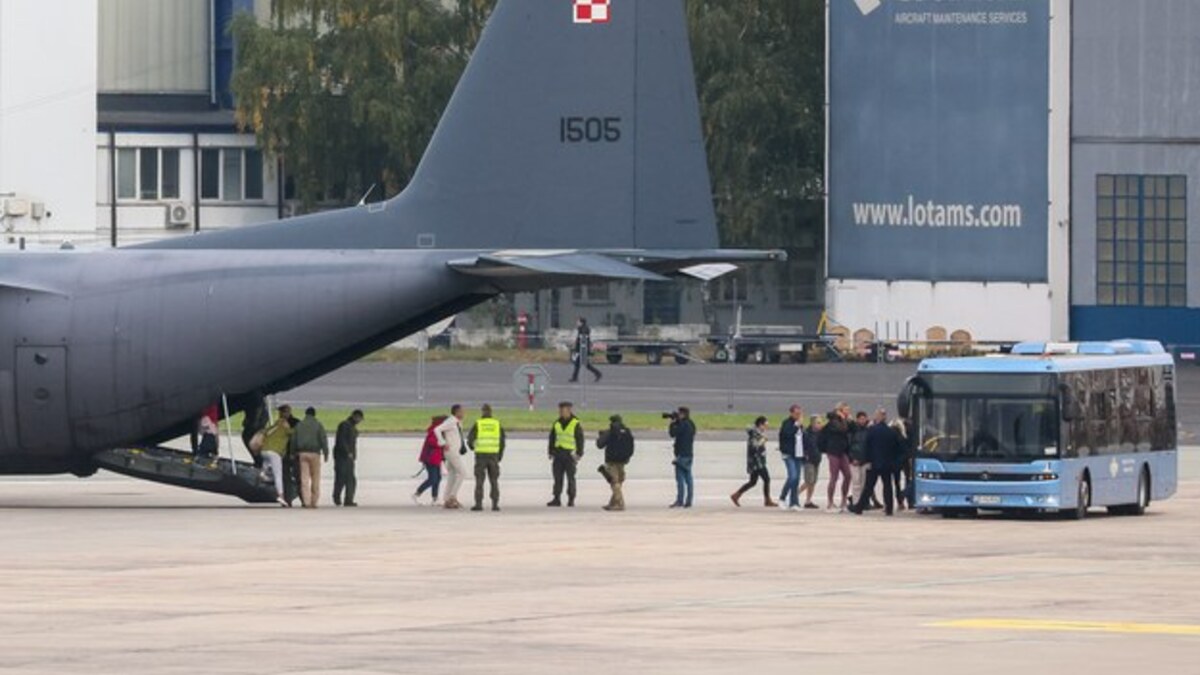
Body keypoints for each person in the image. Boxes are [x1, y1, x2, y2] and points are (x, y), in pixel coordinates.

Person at [852, 409, 901, 515]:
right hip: (887, 463)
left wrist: (864, 460)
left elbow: (867, 447)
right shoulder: (891, 432)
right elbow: (897, 448)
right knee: (887, 486)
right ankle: (889, 508)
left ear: (878, 417)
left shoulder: (872, 430)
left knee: (869, 487)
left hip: (874, 462)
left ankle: (859, 507)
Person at [467, 404, 506, 512]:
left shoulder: (478, 424)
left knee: (479, 480)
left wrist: (472, 447)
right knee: (494, 480)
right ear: (491, 412)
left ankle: (478, 504)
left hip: (481, 456)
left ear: (482, 411)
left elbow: (470, 439)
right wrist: (500, 455)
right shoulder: (497, 424)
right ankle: (495, 504)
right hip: (493, 456)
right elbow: (502, 441)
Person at [732, 416, 777, 508]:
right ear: (760, 424)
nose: (766, 428)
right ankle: (767, 500)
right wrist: (762, 441)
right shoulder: (754, 435)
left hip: (757, 461)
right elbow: (754, 447)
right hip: (757, 462)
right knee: (766, 479)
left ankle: (736, 495)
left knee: (753, 482)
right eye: (765, 425)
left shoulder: (758, 433)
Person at [547, 401, 585, 507]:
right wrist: (550, 452)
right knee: (557, 478)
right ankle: (556, 498)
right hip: (558, 454)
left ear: (568, 410)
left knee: (571, 478)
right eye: (559, 410)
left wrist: (579, 453)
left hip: (570, 455)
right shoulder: (557, 423)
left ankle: (571, 499)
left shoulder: (575, 423)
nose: (559, 412)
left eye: (562, 410)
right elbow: (552, 438)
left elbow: (580, 439)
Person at [819, 402, 854, 511]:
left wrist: (850, 421)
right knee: (834, 476)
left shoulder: (845, 420)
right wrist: (843, 419)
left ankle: (844, 499)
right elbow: (842, 429)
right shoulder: (833, 421)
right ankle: (830, 501)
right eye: (846, 410)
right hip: (833, 451)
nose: (848, 412)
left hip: (843, 451)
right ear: (840, 411)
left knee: (848, 475)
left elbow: (852, 430)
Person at [292, 407, 329, 509]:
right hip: (315, 454)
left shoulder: (299, 425)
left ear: (305, 413)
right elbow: (323, 439)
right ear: (314, 414)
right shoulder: (318, 425)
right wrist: (326, 453)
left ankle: (306, 502)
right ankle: (314, 501)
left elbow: (293, 440)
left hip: (302, 454)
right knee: (315, 478)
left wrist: (292, 452)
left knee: (304, 479)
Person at [596, 414, 635, 511]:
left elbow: (600, 445)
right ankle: (612, 503)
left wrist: (601, 436)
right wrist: (628, 457)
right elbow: (631, 447)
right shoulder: (627, 432)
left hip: (611, 461)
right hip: (623, 461)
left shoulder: (610, 432)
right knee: (619, 482)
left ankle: (620, 504)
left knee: (614, 482)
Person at [435, 404, 469, 509]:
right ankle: (452, 497)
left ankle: (447, 499)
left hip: (455, 452)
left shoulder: (457, 422)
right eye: (462, 411)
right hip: (452, 452)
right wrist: (442, 442)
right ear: (457, 412)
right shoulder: (451, 421)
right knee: (463, 473)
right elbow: (437, 430)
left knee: (452, 475)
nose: (464, 413)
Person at [260, 405, 294, 507]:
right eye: (288, 412)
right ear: (285, 413)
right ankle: (281, 496)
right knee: (278, 475)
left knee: (267, 461)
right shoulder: (285, 425)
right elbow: (292, 433)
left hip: (265, 450)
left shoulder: (275, 424)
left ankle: (263, 471)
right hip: (275, 452)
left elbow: (265, 432)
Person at [332, 410, 363, 507]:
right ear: (355, 416)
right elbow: (341, 441)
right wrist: (347, 452)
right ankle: (337, 496)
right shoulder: (344, 425)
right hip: (342, 456)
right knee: (341, 478)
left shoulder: (352, 427)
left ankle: (348, 499)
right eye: (359, 418)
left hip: (349, 458)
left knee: (350, 479)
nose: (359, 421)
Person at [414, 415, 446, 506]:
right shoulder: (435, 430)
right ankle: (416, 494)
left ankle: (435, 498)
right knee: (432, 479)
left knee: (438, 478)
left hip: (435, 458)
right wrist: (442, 443)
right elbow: (431, 442)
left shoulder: (437, 430)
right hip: (430, 458)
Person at [777, 405, 805, 510]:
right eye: (797, 413)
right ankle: (782, 498)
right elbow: (787, 434)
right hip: (788, 454)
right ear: (791, 413)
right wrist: (796, 425)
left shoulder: (800, 425)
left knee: (797, 479)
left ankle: (794, 502)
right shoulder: (787, 423)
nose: (798, 416)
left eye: (800, 414)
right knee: (792, 476)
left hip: (798, 454)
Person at [668, 407, 696, 508]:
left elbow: (672, 434)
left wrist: (672, 423)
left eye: (679, 414)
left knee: (680, 479)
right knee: (689, 478)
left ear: (683, 414)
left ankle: (680, 501)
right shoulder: (692, 424)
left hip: (681, 455)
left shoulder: (682, 424)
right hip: (689, 454)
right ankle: (689, 501)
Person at [848, 410, 872, 511]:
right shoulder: (853, 431)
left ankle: (863, 503)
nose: (862, 420)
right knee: (856, 482)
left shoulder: (869, 431)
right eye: (860, 419)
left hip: (865, 460)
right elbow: (849, 446)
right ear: (857, 420)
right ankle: (855, 503)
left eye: (864, 418)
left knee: (864, 483)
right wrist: (852, 458)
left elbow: (870, 446)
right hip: (854, 460)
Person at [800, 415, 823, 509]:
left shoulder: (820, 434)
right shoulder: (806, 433)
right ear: (812, 423)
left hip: (817, 459)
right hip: (808, 459)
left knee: (813, 481)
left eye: (820, 422)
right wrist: (805, 455)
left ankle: (808, 500)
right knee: (808, 481)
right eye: (818, 422)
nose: (820, 424)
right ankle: (794, 495)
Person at [569, 317, 602, 383]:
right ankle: (575, 377)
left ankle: (598, 373)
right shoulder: (581, 329)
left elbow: (582, 340)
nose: (577, 323)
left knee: (584, 364)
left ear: (581, 322)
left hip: (583, 350)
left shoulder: (583, 329)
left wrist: (578, 348)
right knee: (579, 364)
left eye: (578, 322)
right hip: (582, 349)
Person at [241, 394, 269, 469]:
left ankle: (259, 461)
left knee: (252, 442)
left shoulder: (256, 401)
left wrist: (254, 424)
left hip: (255, 425)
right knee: (251, 441)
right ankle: (258, 461)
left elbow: (258, 410)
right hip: (255, 423)